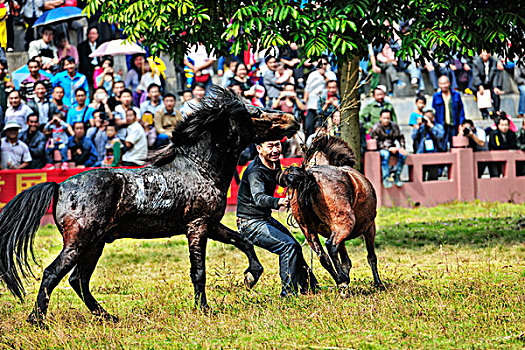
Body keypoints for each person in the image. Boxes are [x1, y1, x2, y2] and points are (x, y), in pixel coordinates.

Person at [236, 140, 317, 297]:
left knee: (294, 246)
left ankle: (311, 287)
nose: (275, 150)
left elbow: (280, 178)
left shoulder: (274, 163)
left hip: (263, 218)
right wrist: (278, 201)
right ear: (259, 149)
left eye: (277, 145)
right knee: (288, 247)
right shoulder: (255, 172)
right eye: (270, 146)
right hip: (249, 223)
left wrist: (296, 176)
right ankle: (288, 295)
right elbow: (259, 198)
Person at [370, 109, 407, 188]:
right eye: (384, 118)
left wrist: (402, 147)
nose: (386, 120)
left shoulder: (394, 126)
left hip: (393, 146)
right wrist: (388, 148)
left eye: (388, 118)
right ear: (380, 118)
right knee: (385, 155)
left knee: (403, 155)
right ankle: (386, 177)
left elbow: (400, 137)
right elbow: (376, 141)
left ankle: (397, 175)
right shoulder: (376, 128)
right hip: (382, 148)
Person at [303, 57, 337, 139]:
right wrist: (304, 102)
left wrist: (324, 75)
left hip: (325, 106)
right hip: (312, 104)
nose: (322, 66)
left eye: (324, 64)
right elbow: (307, 89)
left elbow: (333, 86)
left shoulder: (331, 74)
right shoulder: (312, 75)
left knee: (324, 128)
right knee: (308, 126)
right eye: (320, 64)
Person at [431, 76, 465, 151]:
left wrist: (461, 124)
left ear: (449, 83)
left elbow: (461, 111)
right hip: (442, 125)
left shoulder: (456, 95)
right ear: (439, 85)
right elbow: (433, 110)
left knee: (455, 146)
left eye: (445, 83)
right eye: (441, 84)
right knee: (441, 147)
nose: (444, 86)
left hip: (454, 125)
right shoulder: (436, 96)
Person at [412, 109, 444, 180]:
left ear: (433, 118)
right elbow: (414, 137)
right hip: (422, 154)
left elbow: (440, 136)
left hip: (434, 156)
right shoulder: (421, 127)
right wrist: (417, 126)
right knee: (420, 179)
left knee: (433, 179)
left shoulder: (438, 127)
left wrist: (431, 126)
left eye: (429, 117)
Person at [470, 50, 503, 119]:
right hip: (479, 84)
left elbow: (495, 75)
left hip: (490, 84)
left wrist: (495, 86)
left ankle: (495, 113)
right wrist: (480, 85)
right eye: (484, 52)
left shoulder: (493, 61)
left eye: (487, 52)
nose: (485, 54)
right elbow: (476, 75)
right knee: (480, 95)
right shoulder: (476, 62)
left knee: (496, 95)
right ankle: (484, 113)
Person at [78, 26, 101, 94]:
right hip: (88, 70)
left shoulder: (100, 45)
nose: (92, 36)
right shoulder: (82, 46)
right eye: (90, 33)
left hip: (99, 69)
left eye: (94, 34)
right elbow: (84, 61)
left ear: (97, 35)